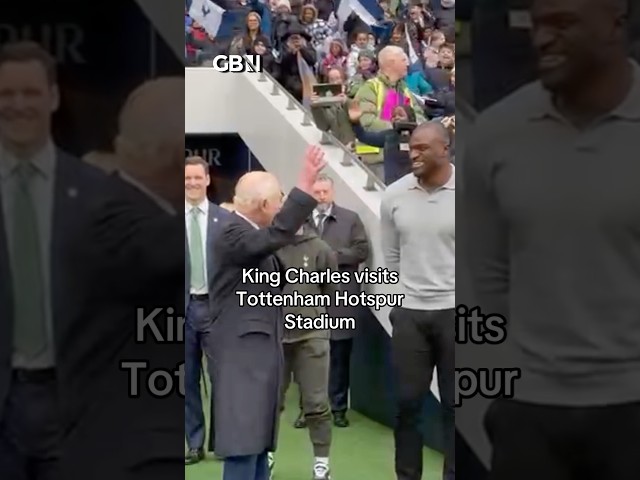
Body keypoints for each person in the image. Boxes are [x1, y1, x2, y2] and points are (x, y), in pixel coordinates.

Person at [462, 0, 640, 478]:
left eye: (563, 24)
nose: (542, 39)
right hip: (529, 412)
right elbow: (490, 274)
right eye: (538, 24)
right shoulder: (496, 134)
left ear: (615, 23)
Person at [0, 41, 184, 480]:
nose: (19, 104)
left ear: (54, 97)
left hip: (76, 400)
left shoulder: (95, 190)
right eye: (6, 94)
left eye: (30, 92)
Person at [209, 145, 326, 480]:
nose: (281, 205)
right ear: (263, 205)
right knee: (245, 447)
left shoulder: (246, 232)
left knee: (257, 446)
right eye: (279, 199)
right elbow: (277, 235)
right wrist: (305, 184)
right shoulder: (232, 232)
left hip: (259, 355)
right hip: (242, 357)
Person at [380, 122, 455, 480]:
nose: (413, 153)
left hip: (456, 313)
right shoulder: (394, 195)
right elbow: (391, 257)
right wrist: (399, 302)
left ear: (444, 149)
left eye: (422, 148)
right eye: (411, 147)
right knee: (407, 405)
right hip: (410, 315)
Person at [274, 219, 338, 480]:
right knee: (270, 403)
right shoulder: (270, 248)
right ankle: (266, 457)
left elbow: (330, 289)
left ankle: (321, 464)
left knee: (316, 402)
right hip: (276, 337)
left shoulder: (321, 249)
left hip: (312, 335)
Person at [184, 155, 230, 465]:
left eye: (197, 178)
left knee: (222, 379)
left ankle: (222, 442)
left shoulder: (224, 220)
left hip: (216, 311)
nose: (192, 183)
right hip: (184, 311)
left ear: (207, 179)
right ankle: (195, 443)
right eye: (186, 178)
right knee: (187, 382)